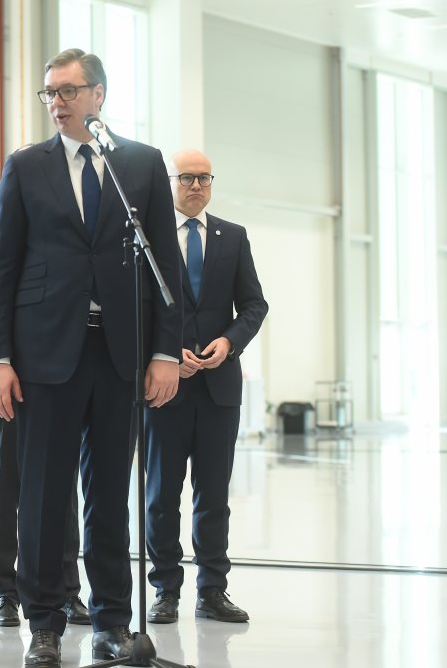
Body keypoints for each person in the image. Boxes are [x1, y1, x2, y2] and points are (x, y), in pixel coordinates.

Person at [0, 49, 184, 666]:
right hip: (45, 354)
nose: (57, 102)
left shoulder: (140, 165)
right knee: (44, 493)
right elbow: (2, 266)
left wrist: (164, 351)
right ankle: (44, 622)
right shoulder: (25, 167)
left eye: (68, 90)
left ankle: (112, 622)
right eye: (49, 93)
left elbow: (164, 264)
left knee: (109, 493)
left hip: (121, 354)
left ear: (99, 95)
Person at [144, 149, 267, 625]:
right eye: (186, 178)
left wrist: (228, 342)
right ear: (170, 182)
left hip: (219, 388)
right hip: (164, 387)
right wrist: (167, 352)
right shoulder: (148, 238)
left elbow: (254, 304)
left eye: (204, 178)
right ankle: (165, 590)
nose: (196, 185)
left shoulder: (232, 237)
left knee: (213, 496)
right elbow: (137, 307)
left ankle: (212, 590)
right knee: (161, 496)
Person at [0, 219, 90, 628]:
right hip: (5, 374)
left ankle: (66, 590)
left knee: (62, 486)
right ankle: (5, 592)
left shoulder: (64, 233)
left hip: (58, 378)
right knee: (5, 485)